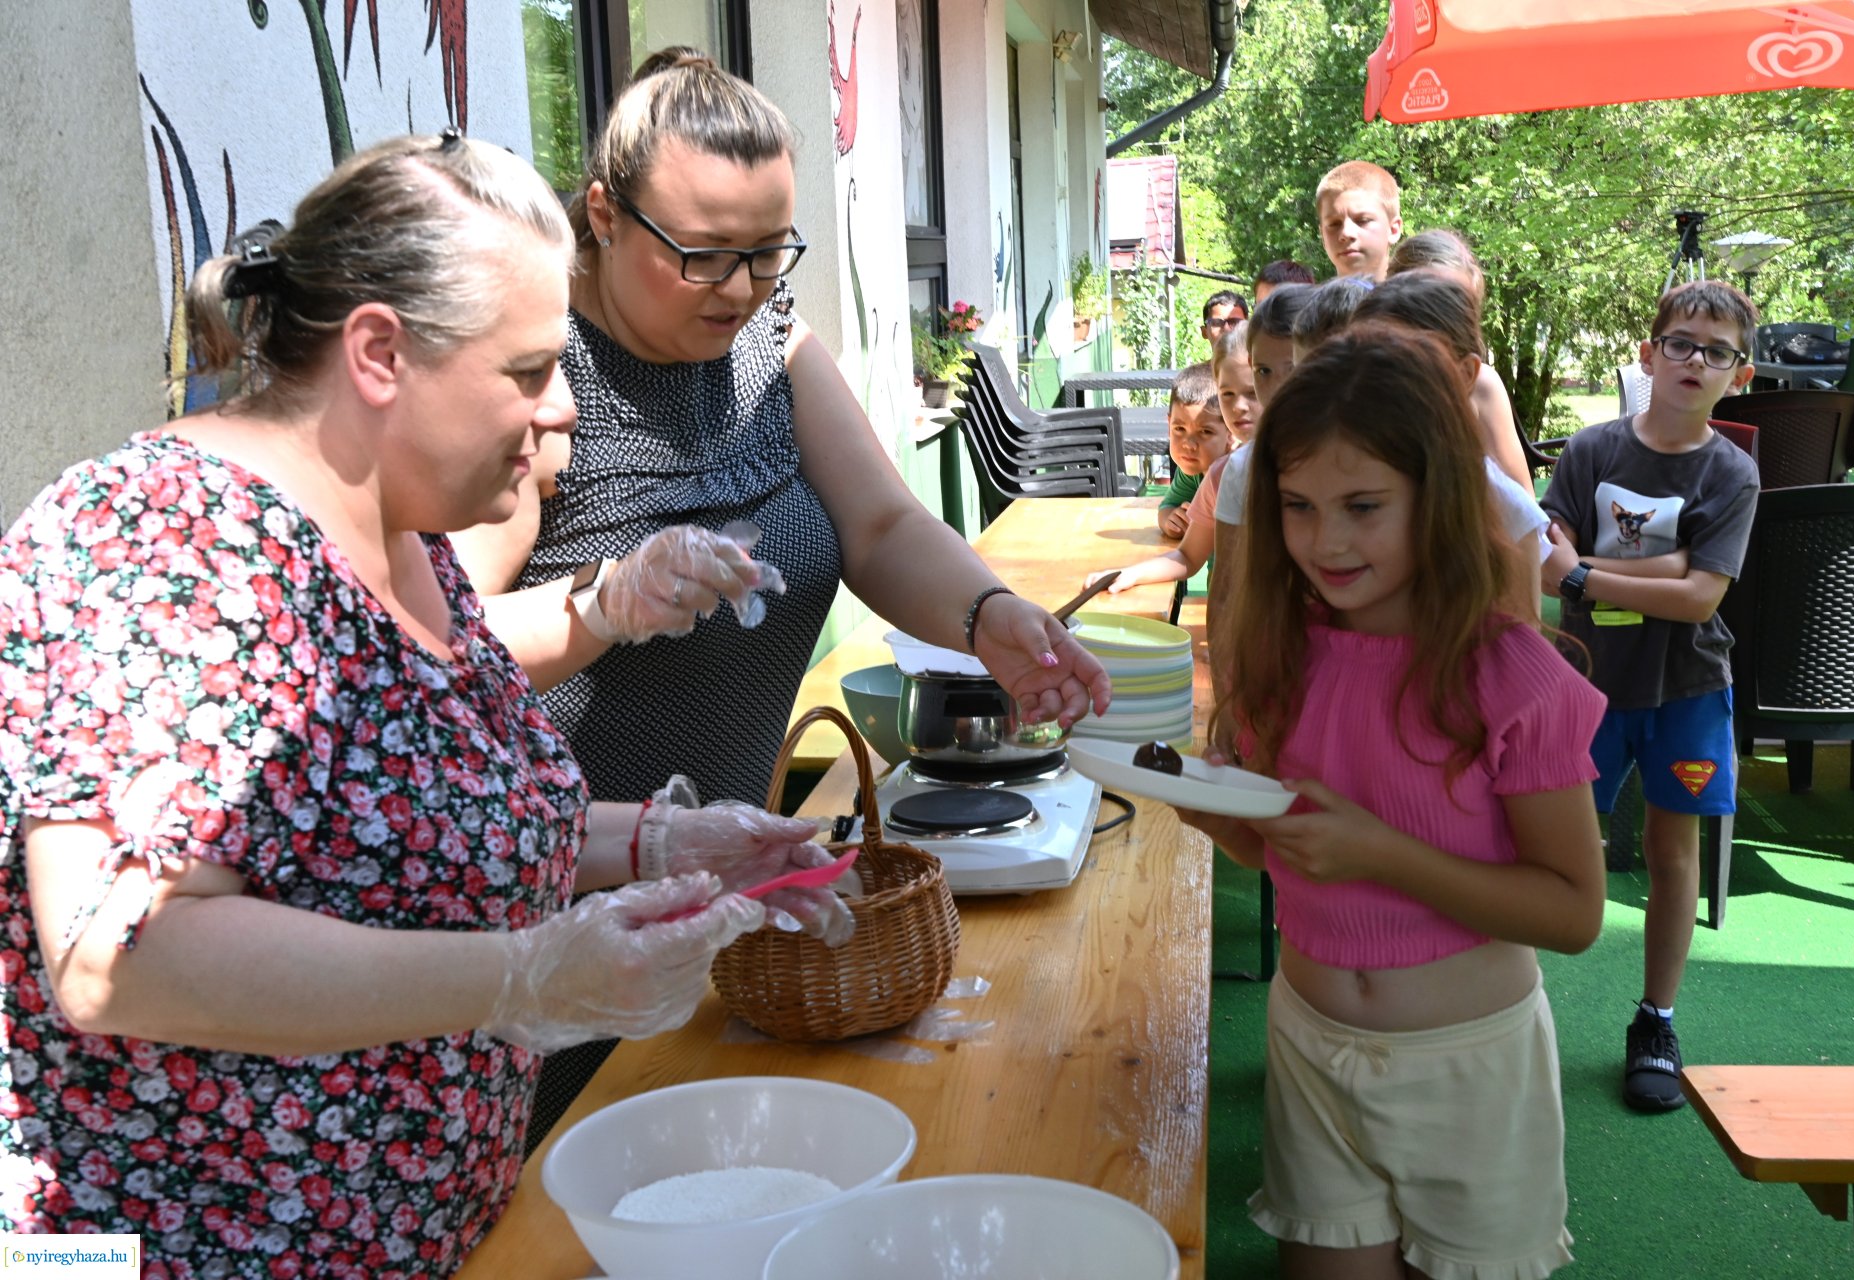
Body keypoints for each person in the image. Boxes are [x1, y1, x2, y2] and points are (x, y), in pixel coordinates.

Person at [0, 132, 854, 1275]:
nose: (560, 414)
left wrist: (662, 836)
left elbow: (405, 822)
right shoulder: (161, 539)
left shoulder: (400, 535)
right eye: (526, 372)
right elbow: (121, 951)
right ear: (378, 353)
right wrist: (518, 974)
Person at [444, 49, 1110, 1145]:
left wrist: (991, 619)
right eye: (704, 256)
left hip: (720, 889)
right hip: (556, 907)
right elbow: (438, 656)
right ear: (604, 216)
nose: (744, 287)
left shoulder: (769, 343)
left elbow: (883, 526)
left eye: (767, 250)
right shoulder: (542, 376)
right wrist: (604, 598)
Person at [1181, 323, 1606, 1279]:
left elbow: (1574, 912)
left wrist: (1382, 852)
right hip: (1309, 1045)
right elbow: (1291, 854)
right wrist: (1229, 824)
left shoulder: (1510, 677)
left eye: (1363, 505)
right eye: (1296, 505)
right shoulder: (1281, 656)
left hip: (1472, 1069)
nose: (1325, 540)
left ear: (1439, 497)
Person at [1539, 279, 1761, 1113]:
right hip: (1585, 684)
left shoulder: (1732, 473)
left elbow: (1703, 598)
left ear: (1738, 374)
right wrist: (1665, 567)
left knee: (1674, 858)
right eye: (1681, 343)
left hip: (1687, 689)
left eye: (1717, 352)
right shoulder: (1592, 451)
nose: (1695, 361)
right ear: (1648, 353)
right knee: (1550, 846)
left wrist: (1592, 573)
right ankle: (1510, 1005)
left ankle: (1656, 1022)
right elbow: (1542, 559)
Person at [1353, 271, 1547, 622]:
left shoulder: (1503, 508)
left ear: (1465, 374)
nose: (1378, 384)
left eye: (1404, 365)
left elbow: (1523, 645)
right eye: (1364, 363)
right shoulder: (1343, 479)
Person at [1085, 326, 1262, 597]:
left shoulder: (1299, 471)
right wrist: (1131, 573)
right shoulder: (1219, 475)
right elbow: (1188, 557)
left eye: (1252, 392)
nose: (1238, 406)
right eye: (1228, 393)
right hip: (1227, 617)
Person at [1387, 229, 1532, 491]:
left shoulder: (1481, 385)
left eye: (1457, 306)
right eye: (1427, 302)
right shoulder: (1366, 382)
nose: (1442, 318)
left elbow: (1523, 507)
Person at [1213, 284, 1314, 642]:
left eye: (1292, 367)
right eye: (1263, 371)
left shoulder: (1376, 459)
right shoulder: (1243, 469)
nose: (1274, 387)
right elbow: (1224, 592)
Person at [1158, 363, 1229, 539]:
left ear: (1230, 431)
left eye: (1205, 432)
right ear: (1169, 425)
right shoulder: (1193, 470)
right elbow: (1168, 506)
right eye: (1179, 429)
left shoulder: (1235, 478)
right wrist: (1170, 519)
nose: (1189, 445)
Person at [1316, 160, 1403, 282]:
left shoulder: (1423, 300)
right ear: (1323, 236)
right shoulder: (1307, 301)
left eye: (1363, 220)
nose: (1346, 233)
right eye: (1334, 224)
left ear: (1393, 230)